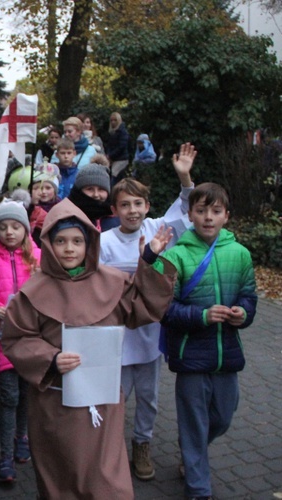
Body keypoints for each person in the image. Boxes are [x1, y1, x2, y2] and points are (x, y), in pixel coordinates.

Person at [1, 199, 177, 499]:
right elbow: (16, 339)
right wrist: (50, 358)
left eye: (77, 241)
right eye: (60, 241)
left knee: (107, 481)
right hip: (54, 406)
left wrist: (148, 262)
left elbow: (145, 307)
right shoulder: (32, 293)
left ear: (89, 244)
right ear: (48, 245)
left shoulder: (113, 282)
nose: (69, 248)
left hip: (103, 402)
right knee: (62, 478)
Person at [99, 142, 196, 481]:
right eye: (125, 205)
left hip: (150, 333)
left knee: (149, 397)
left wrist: (184, 178)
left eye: (138, 203)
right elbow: (98, 287)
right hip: (118, 333)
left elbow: (185, 208)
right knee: (117, 397)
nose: (132, 211)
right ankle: (111, 448)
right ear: (115, 209)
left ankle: (142, 444)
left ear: (147, 206)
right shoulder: (105, 242)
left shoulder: (157, 229)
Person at [159, 183, 257, 500]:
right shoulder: (175, 256)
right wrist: (201, 316)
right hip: (190, 355)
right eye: (201, 210)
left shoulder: (240, 254)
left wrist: (244, 312)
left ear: (227, 216)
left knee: (222, 416)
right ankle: (199, 488)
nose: (208, 217)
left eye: (215, 211)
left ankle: (193, 450)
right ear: (190, 215)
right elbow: (164, 309)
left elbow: (249, 296)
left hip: (226, 353)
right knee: (193, 423)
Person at [0, 202, 41, 483]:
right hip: (2, 339)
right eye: (3, 227)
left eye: (15, 226)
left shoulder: (38, 258)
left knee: (27, 394)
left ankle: (22, 437)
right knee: (9, 397)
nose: (9, 232)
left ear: (26, 230)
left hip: (32, 339)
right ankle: (5, 455)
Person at [68, 163, 120, 231]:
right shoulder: (68, 216)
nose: (96, 194)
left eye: (101, 189)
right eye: (90, 189)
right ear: (79, 191)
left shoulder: (118, 218)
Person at [51, 116, 97, 193]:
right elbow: (52, 172)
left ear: (78, 132)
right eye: (65, 132)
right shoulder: (57, 151)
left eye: (69, 131)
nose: (66, 134)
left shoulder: (91, 151)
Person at [105, 112, 130, 181]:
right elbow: (109, 145)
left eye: (115, 120)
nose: (113, 122)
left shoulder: (123, 132)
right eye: (111, 120)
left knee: (114, 177)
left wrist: (110, 155)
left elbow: (121, 146)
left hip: (121, 159)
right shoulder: (112, 132)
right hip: (114, 158)